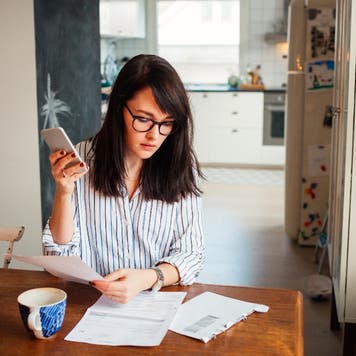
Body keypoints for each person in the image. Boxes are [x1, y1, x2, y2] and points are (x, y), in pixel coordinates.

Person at [42, 54, 205, 304]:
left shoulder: (181, 165)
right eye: (143, 119)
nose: (154, 135)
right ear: (119, 108)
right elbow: (58, 255)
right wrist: (63, 192)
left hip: (157, 302)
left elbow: (192, 253)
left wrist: (149, 277)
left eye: (166, 123)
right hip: (91, 304)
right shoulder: (83, 159)